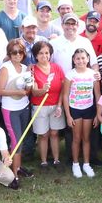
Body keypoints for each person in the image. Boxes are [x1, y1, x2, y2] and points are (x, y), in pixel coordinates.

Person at [0, 38, 34, 180]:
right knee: (16, 141)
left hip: (23, 107)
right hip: (10, 109)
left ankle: (17, 167)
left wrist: (30, 77)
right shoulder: (5, 68)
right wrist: (16, 93)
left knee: (21, 139)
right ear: (9, 54)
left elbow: (28, 90)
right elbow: (0, 91)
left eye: (20, 52)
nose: (17, 55)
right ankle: (14, 176)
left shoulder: (25, 68)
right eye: (14, 52)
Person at [29, 40, 67, 169]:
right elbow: (33, 91)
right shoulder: (32, 70)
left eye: (47, 53)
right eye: (40, 53)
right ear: (35, 55)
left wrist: (59, 105)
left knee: (55, 134)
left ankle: (56, 160)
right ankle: (44, 161)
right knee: (43, 135)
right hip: (40, 106)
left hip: (56, 106)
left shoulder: (57, 68)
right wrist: (43, 90)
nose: (44, 56)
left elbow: (63, 88)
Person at [63, 48, 100, 178]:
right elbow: (65, 95)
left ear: (88, 59)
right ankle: (75, 164)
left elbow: (97, 95)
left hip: (89, 109)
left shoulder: (93, 74)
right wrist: (68, 115)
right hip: (75, 109)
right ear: (74, 60)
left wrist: (98, 115)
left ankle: (86, 163)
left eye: (83, 58)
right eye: (78, 58)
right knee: (76, 138)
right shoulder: (70, 75)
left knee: (86, 138)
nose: (81, 61)